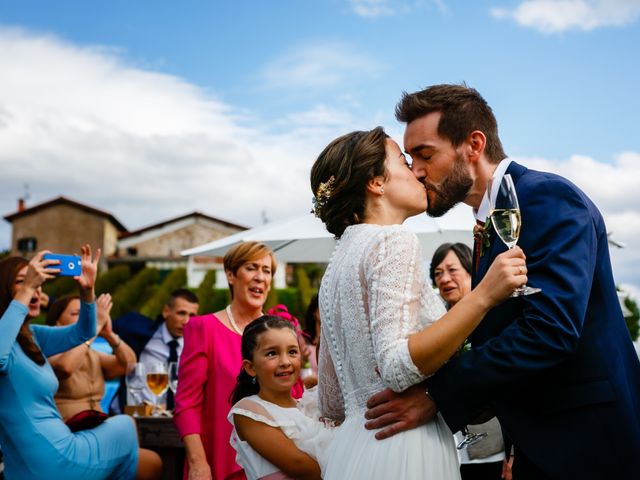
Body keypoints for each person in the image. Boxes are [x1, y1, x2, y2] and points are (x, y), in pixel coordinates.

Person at [364, 84, 640, 479]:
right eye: (410, 159)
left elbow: (551, 329)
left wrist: (438, 396)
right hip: (538, 443)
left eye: (426, 154)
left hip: (589, 443)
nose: (417, 170)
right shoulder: (486, 224)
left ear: (473, 145)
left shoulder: (546, 197)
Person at [310, 127, 527, 479]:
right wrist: (484, 296)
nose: (417, 171)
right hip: (404, 447)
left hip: (353, 447)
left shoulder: (336, 265)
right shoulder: (393, 241)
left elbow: (331, 402)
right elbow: (396, 366)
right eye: (402, 160)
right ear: (376, 183)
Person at [0, 247, 162, 479]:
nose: (35, 288)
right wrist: (28, 288)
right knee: (125, 426)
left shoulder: (33, 336)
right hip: (51, 457)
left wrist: (87, 292)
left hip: (40, 457)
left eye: (37, 282)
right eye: (22, 282)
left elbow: (84, 331)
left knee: (135, 448)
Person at [175, 241, 303, 480]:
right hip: (223, 462)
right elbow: (187, 404)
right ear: (231, 275)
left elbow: (295, 398)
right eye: (251, 268)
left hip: (280, 460)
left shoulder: (284, 332)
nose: (260, 277)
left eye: (266, 271)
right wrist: (198, 462)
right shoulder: (204, 328)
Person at [430, 243, 505, 480]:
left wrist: (513, 455)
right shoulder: (432, 326)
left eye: (452, 270)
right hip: (446, 446)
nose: (444, 278)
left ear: (471, 272)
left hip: (492, 447)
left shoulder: (491, 319)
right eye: (438, 273)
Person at [227, 315, 333, 480]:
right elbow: (300, 466)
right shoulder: (248, 411)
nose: (285, 361)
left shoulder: (311, 406)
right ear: (250, 367)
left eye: (292, 352)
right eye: (271, 354)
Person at [47, 293, 136, 420]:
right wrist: (94, 328)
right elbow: (65, 367)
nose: (84, 319)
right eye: (76, 313)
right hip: (65, 426)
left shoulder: (91, 353)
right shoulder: (49, 348)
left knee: (129, 423)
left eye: (85, 314)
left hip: (97, 425)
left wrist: (109, 335)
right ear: (58, 322)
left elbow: (129, 365)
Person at [111, 289, 199, 412]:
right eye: (181, 313)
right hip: (133, 414)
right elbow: (101, 326)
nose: (186, 321)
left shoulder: (197, 346)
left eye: (192, 315)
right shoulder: (139, 330)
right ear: (166, 311)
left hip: (173, 419)